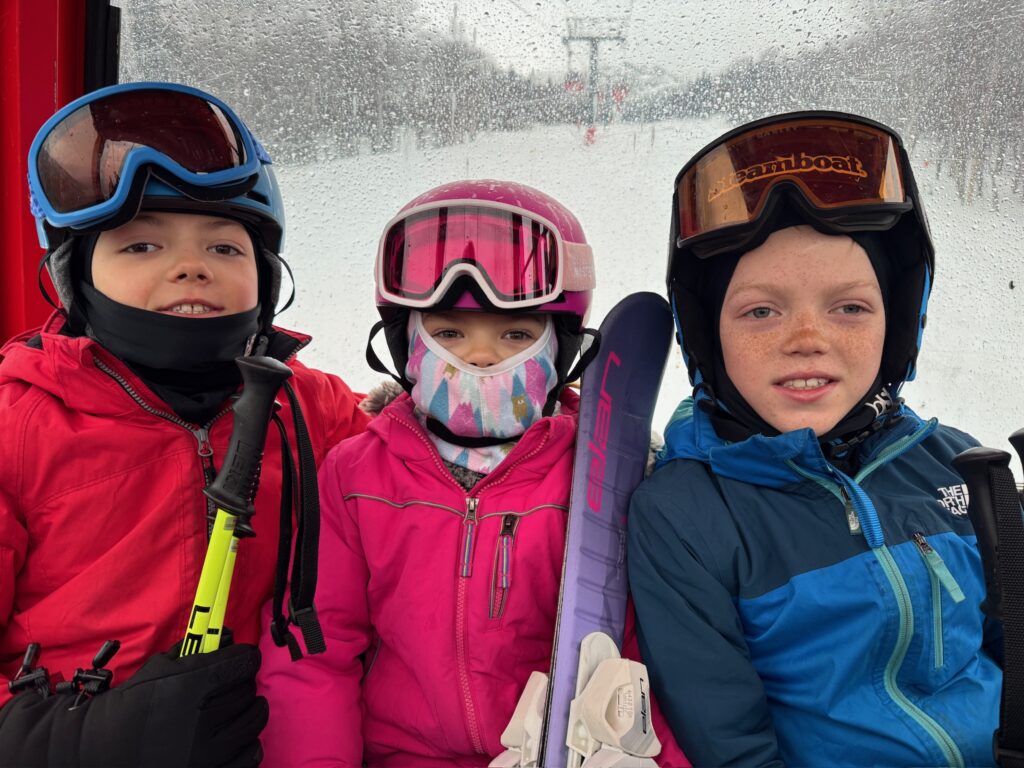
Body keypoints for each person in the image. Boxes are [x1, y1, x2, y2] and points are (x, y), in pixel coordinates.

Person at [257, 180, 687, 767]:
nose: (480, 357)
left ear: (561, 350)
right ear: (404, 342)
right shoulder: (357, 477)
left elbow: (651, 655)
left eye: (514, 333)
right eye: (449, 333)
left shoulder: (603, 480)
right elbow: (316, 651)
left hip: (561, 750)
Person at [0, 82, 369, 766]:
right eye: (141, 247)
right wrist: (76, 742)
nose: (190, 266)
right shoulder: (19, 423)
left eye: (225, 249)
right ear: (75, 279)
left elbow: (415, 475)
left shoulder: (311, 410)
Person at [627, 111, 1002, 767]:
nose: (806, 338)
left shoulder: (957, 468)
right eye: (761, 310)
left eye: (849, 307)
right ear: (709, 335)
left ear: (898, 321)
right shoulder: (688, 513)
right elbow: (731, 744)